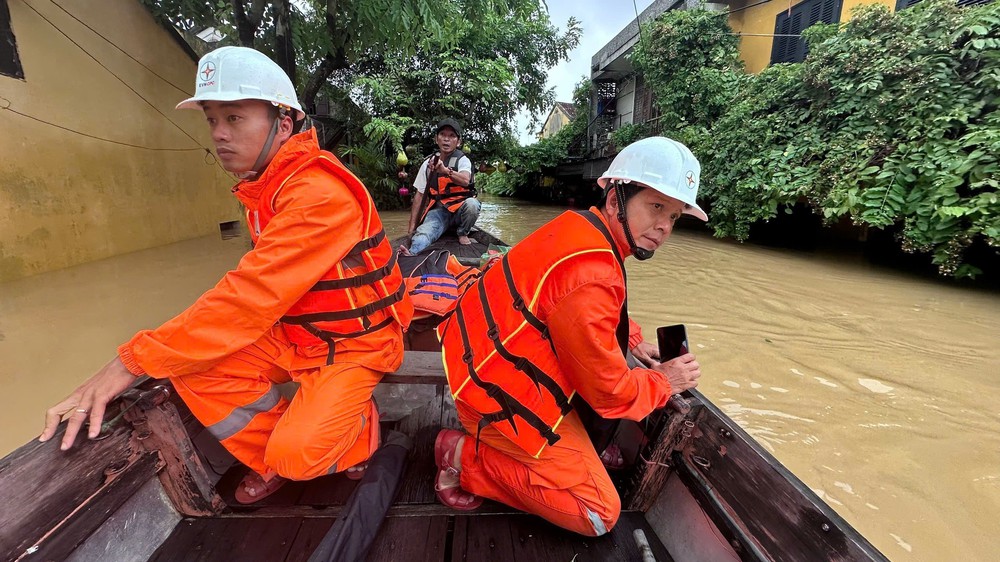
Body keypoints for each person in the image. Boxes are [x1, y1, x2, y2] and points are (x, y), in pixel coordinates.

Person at [39, 46, 413, 503]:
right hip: (297, 334)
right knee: (193, 369)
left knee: (298, 457)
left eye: (234, 119)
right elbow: (251, 298)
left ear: (285, 122)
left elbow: (247, 297)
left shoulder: (318, 194)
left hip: (356, 339)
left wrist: (128, 362)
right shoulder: (266, 186)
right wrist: (152, 356)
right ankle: (272, 452)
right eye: (212, 120)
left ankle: (355, 433)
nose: (218, 134)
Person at [431, 137, 707, 535]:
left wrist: (631, 341)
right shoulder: (593, 273)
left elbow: (582, 312)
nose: (664, 226)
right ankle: (462, 456)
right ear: (615, 200)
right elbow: (610, 394)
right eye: (656, 206)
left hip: (475, 368)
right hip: (493, 399)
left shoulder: (578, 226)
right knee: (597, 513)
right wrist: (666, 380)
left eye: (675, 216)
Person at [401, 118, 479, 254]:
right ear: (436, 139)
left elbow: (466, 180)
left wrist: (445, 171)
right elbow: (419, 196)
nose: (446, 139)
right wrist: (411, 228)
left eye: (452, 136)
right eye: (442, 135)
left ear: (458, 142)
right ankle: (411, 254)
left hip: (460, 211)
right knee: (423, 235)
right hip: (439, 212)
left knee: (473, 204)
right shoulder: (427, 164)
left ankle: (462, 233)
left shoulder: (463, 160)